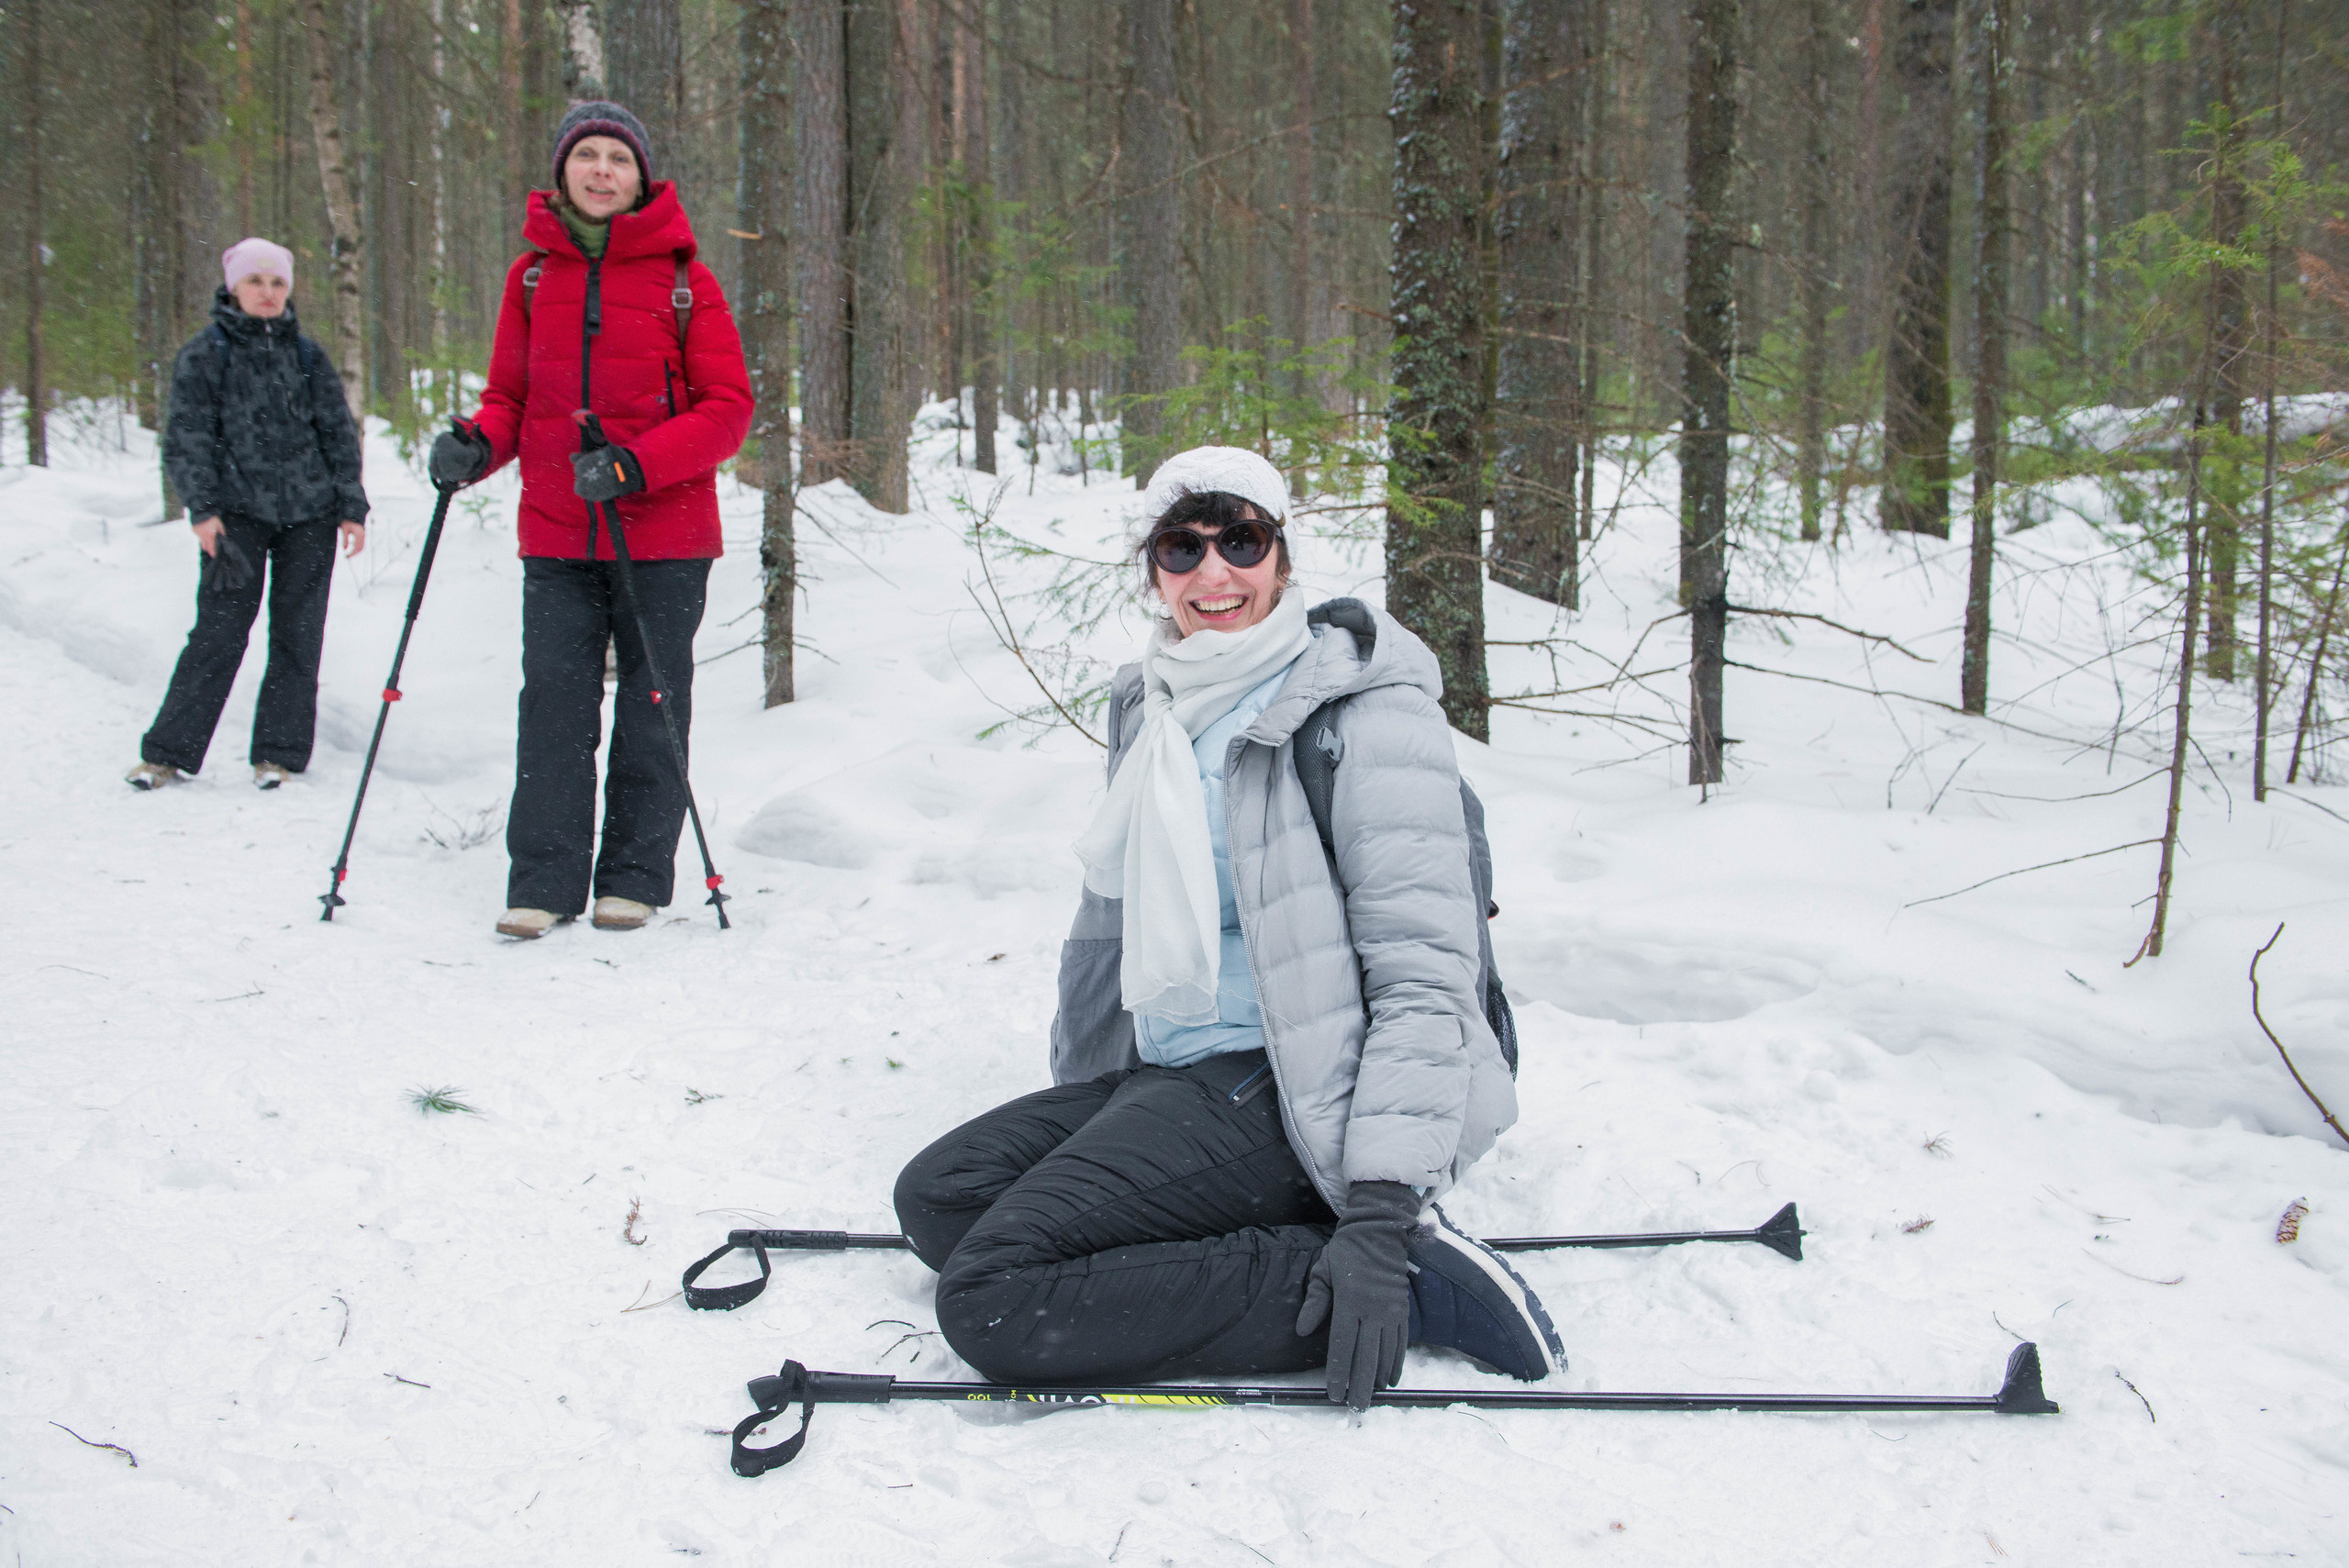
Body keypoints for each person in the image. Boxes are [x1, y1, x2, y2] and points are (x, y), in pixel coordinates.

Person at [893, 446, 1561, 1410]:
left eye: (1241, 540)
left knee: (993, 1299)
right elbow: (1108, 928)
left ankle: (1411, 1284)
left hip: (1297, 1077)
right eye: (1182, 546)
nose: (1214, 573)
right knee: (944, 1198)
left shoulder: (1359, 711)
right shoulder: (1152, 703)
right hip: (1175, 1068)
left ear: (1282, 558)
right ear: (1153, 570)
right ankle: (1265, 1235)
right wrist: (1097, 1129)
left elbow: (1425, 973)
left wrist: (1378, 1209)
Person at [429, 101, 751, 940]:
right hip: (559, 529)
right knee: (555, 706)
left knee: (652, 702)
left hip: (665, 533)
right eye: (588, 156)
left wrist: (635, 464)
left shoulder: (687, 279)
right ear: (564, 170)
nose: (602, 170)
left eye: (617, 157)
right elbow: (510, 399)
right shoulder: (532, 276)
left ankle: (636, 879)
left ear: (641, 176)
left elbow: (727, 410)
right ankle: (542, 881)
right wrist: (475, 447)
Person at [129, 238, 369, 792]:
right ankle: (166, 754)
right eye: (256, 282)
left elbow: (337, 433)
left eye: (277, 283)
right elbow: (186, 437)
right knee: (218, 632)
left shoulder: (308, 356)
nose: (267, 293)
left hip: (309, 518)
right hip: (234, 518)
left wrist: (350, 506)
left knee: (298, 635)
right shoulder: (206, 353)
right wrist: (203, 508)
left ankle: (278, 756)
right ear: (234, 286)